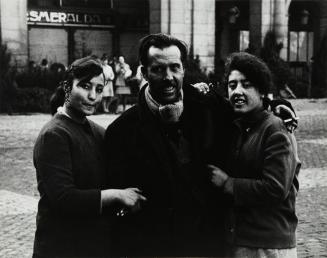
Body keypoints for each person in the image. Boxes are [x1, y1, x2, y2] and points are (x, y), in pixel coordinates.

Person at [104, 34, 298, 257]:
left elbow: (248, 106)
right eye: (158, 69)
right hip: (157, 246)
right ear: (143, 72)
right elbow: (120, 210)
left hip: (208, 243)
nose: (168, 77)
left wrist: (277, 105)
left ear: (183, 69)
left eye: (175, 68)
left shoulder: (207, 104)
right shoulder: (121, 131)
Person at [33, 55, 146, 258]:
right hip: (62, 246)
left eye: (99, 89)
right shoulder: (54, 134)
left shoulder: (97, 131)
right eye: (85, 86)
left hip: (93, 244)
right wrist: (117, 195)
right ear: (67, 87)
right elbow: (64, 198)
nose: (93, 96)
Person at [207, 52, 301, 258]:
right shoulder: (240, 127)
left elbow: (275, 189)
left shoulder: (275, 129)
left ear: (262, 91)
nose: (237, 92)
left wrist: (227, 183)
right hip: (242, 241)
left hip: (268, 246)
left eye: (246, 84)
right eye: (232, 86)